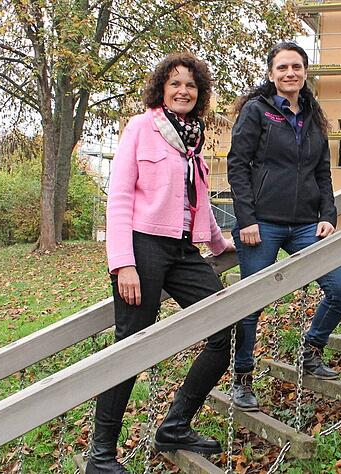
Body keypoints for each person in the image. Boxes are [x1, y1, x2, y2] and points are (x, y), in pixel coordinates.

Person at [91, 52, 239, 474]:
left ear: (200, 94)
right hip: (143, 249)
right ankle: (101, 455)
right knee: (132, 346)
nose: (183, 91)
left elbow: (200, 201)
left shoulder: (195, 140)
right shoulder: (141, 128)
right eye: (175, 84)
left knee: (223, 325)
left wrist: (218, 242)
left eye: (191, 85)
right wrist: (123, 263)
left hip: (183, 251)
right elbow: (118, 196)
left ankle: (174, 426)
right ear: (161, 89)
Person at [226, 42, 341, 411]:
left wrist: (329, 215)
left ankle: (311, 350)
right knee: (251, 302)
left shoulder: (314, 115)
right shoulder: (256, 112)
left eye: (296, 67)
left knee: (340, 287)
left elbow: (322, 172)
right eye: (282, 68)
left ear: (305, 72)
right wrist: (246, 219)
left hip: (305, 226)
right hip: (261, 224)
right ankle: (242, 377)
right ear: (271, 74)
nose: (290, 73)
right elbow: (238, 166)